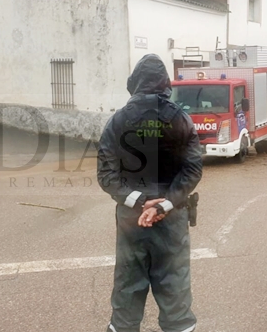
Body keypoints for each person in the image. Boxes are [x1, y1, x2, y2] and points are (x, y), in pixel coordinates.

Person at [98, 54, 203, 332]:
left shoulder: (118, 121)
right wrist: (164, 205)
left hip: (132, 219)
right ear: (166, 84)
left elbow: (106, 175)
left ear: (134, 83)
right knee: (175, 287)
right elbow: (192, 171)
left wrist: (141, 202)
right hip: (171, 218)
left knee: (128, 287)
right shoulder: (181, 119)